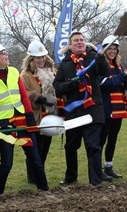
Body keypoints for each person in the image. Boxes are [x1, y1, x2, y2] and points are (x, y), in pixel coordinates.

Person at [0, 41, 49, 195]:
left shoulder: (13, 72)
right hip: (5, 126)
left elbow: (24, 97)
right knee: (6, 164)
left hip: (23, 122)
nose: (6, 55)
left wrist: (29, 117)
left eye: (5, 52)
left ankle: (44, 191)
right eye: (2, 53)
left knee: (36, 160)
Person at [53, 31, 110, 186]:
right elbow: (57, 87)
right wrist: (71, 84)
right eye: (76, 40)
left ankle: (96, 181)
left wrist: (101, 59)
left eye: (82, 40)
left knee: (93, 146)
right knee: (71, 146)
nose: (80, 42)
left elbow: (105, 71)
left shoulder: (93, 57)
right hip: (74, 112)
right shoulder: (65, 63)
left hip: (93, 110)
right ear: (71, 45)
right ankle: (71, 177)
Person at [20, 40, 57, 184]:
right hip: (36, 116)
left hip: (49, 115)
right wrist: (38, 97)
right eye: (38, 57)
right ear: (31, 59)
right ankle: (33, 177)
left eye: (43, 57)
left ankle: (39, 173)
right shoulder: (25, 75)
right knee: (36, 149)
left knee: (45, 149)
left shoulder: (52, 71)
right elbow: (23, 94)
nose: (41, 60)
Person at [99, 35, 127, 180]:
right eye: (110, 48)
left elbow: (122, 85)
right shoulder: (101, 65)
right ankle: (97, 169)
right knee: (102, 140)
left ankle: (108, 167)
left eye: (115, 49)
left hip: (118, 108)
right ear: (105, 49)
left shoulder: (118, 65)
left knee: (113, 139)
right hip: (106, 109)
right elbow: (104, 84)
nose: (112, 51)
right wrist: (121, 77)